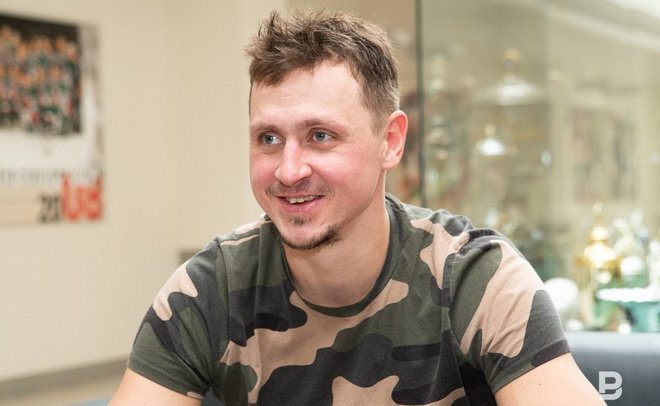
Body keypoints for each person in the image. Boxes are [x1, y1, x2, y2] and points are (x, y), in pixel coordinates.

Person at [110, 9, 604, 405]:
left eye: (320, 136)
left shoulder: (475, 277)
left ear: (391, 141)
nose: (289, 170)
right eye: (269, 138)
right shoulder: (210, 289)